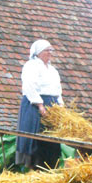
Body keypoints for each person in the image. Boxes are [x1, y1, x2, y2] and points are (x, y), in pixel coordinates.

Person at [15, 39, 64, 169]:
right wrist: (40, 105)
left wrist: (60, 104)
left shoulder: (53, 70)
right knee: (36, 137)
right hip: (35, 105)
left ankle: (48, 166)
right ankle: (34, 166)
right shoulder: (31, 66)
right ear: (38, 53)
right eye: (47, 50)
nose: (50, 53)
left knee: (51, 138)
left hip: (52, 105)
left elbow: (57, 89)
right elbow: (29, 86)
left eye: (51, 50)